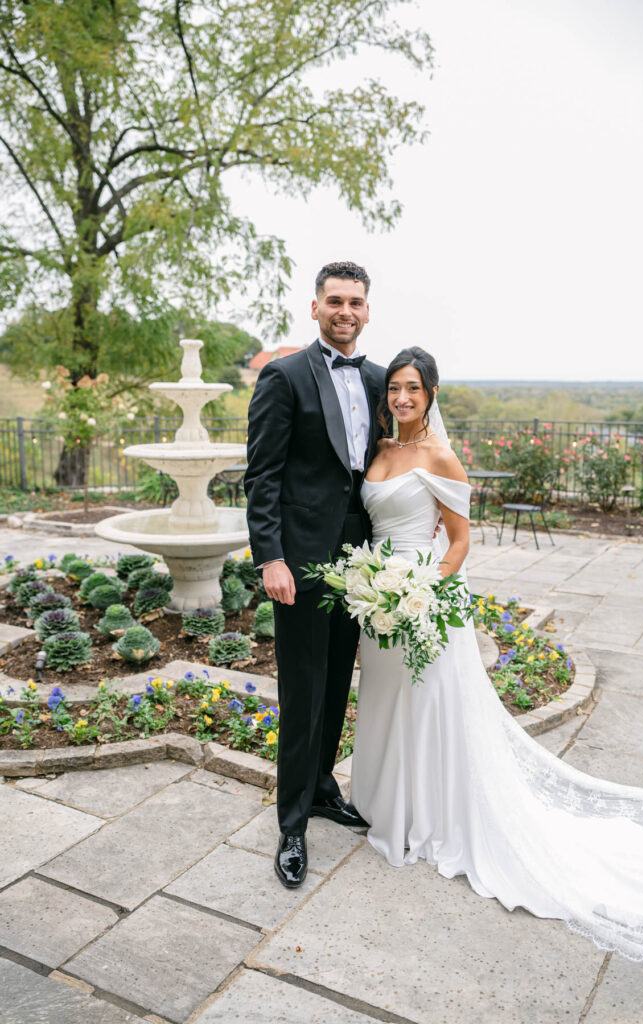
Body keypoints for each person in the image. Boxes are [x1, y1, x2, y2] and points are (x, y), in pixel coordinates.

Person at [351, 346, 643, 974]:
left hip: (418, 602)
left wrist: (417, 590)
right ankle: (391, 804)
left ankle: (428, 817)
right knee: (386, 702)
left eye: (413, 389)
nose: (401, 399)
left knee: (428, 708)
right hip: (376, 601)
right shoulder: (380, 452)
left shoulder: (439, 457)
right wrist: (376, 587)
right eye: (395, 387)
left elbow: (459, 541)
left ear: (432, 395)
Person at [244, 260, 386, 888]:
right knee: (302, 689)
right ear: (315, 308)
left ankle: (324, 786)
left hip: (362, 562)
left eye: (355, 302)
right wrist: (270, 557)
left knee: (335, 685)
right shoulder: (285, 376)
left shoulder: (383, 380)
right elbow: (263, 476)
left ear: (366, 309)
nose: (345, 311)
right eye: (335, 300)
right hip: (299, 562)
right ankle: (292, 822)